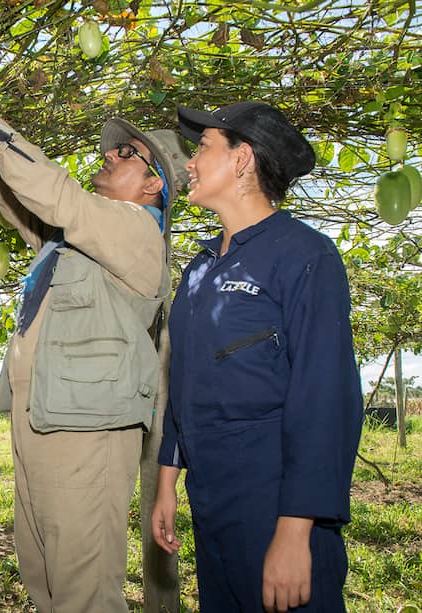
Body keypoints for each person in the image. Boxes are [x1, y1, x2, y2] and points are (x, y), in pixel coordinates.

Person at [0, 54, 190, 613]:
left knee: (83, 590)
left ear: (153, 186)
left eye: (129, 154)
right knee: (45, 574)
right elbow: (24, 202)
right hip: (47, 417)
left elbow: (58, 197)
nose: (111, 155)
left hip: (85, 432)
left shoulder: (137, 233)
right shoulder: (80, 241)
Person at [151, 101, 364, 612]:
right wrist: (167, 485)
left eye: (202, 148)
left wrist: (294, 533)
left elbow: (325, 399)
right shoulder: (200, 270)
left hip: (276, 503)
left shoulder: (304, 255)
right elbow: (184, 384)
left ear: (242, 159)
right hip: (213, 503)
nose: (189, 163)